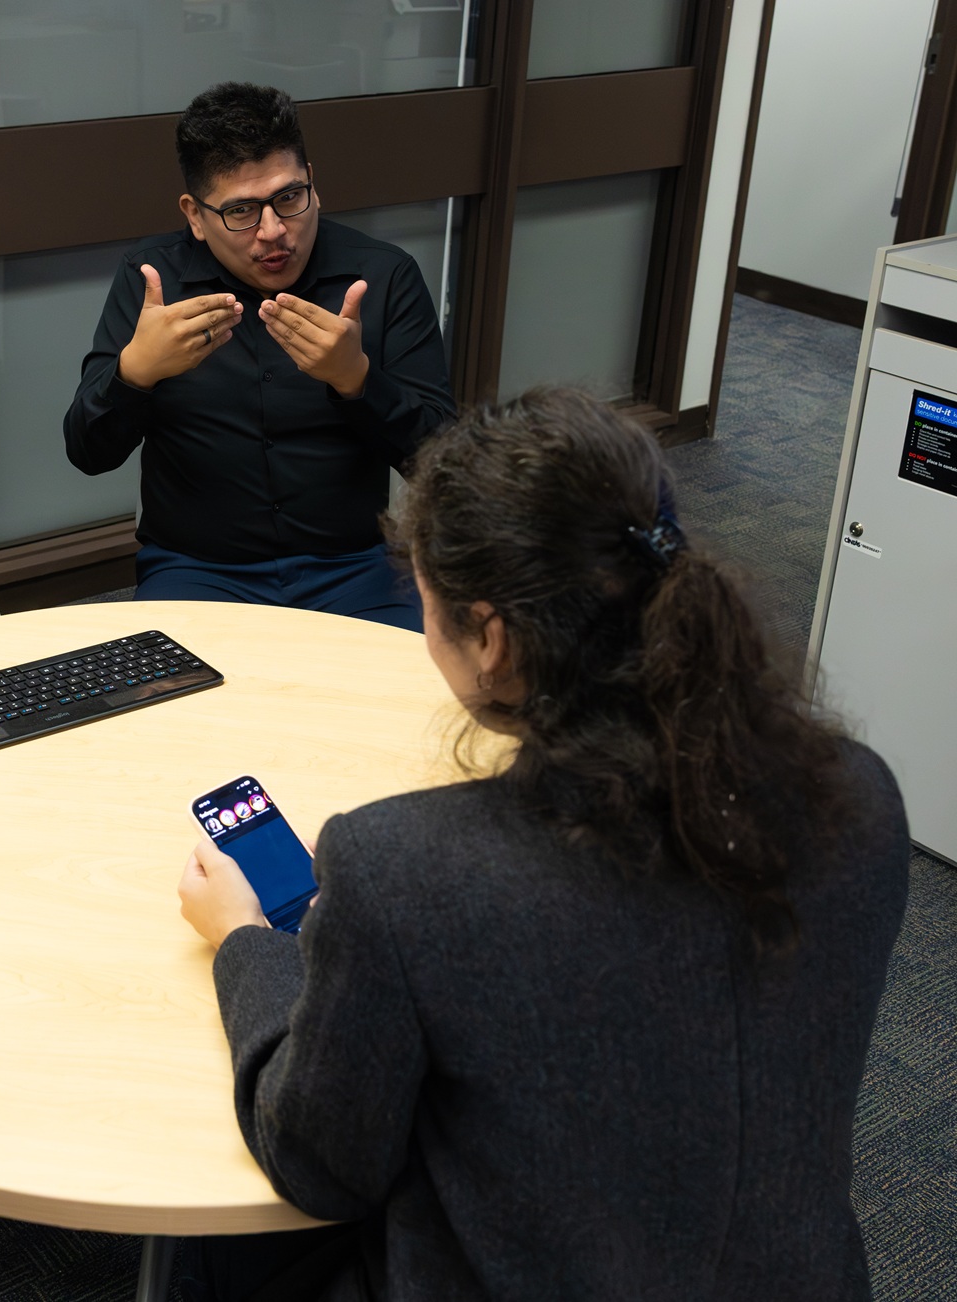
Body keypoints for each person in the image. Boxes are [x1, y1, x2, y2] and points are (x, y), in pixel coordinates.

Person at [172, 390, 910, 1300]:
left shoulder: (400, 871)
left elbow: (322, 1163)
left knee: (201, 1249)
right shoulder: (863, 796)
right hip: (797, 1279)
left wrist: (246, 942)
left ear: (489, 638)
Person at [64, 82, 454, 629]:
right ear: (195, 216)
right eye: (241, 211)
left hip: (355, 566)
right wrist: (136, 374)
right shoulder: (153, 281)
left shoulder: (383, 275)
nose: (274, 233)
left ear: (313, 184)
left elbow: (443, 461)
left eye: (290, 198)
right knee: (171, 709)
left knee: (407, 699)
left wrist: (356, 379)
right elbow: (88, 451)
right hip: (197, 569)